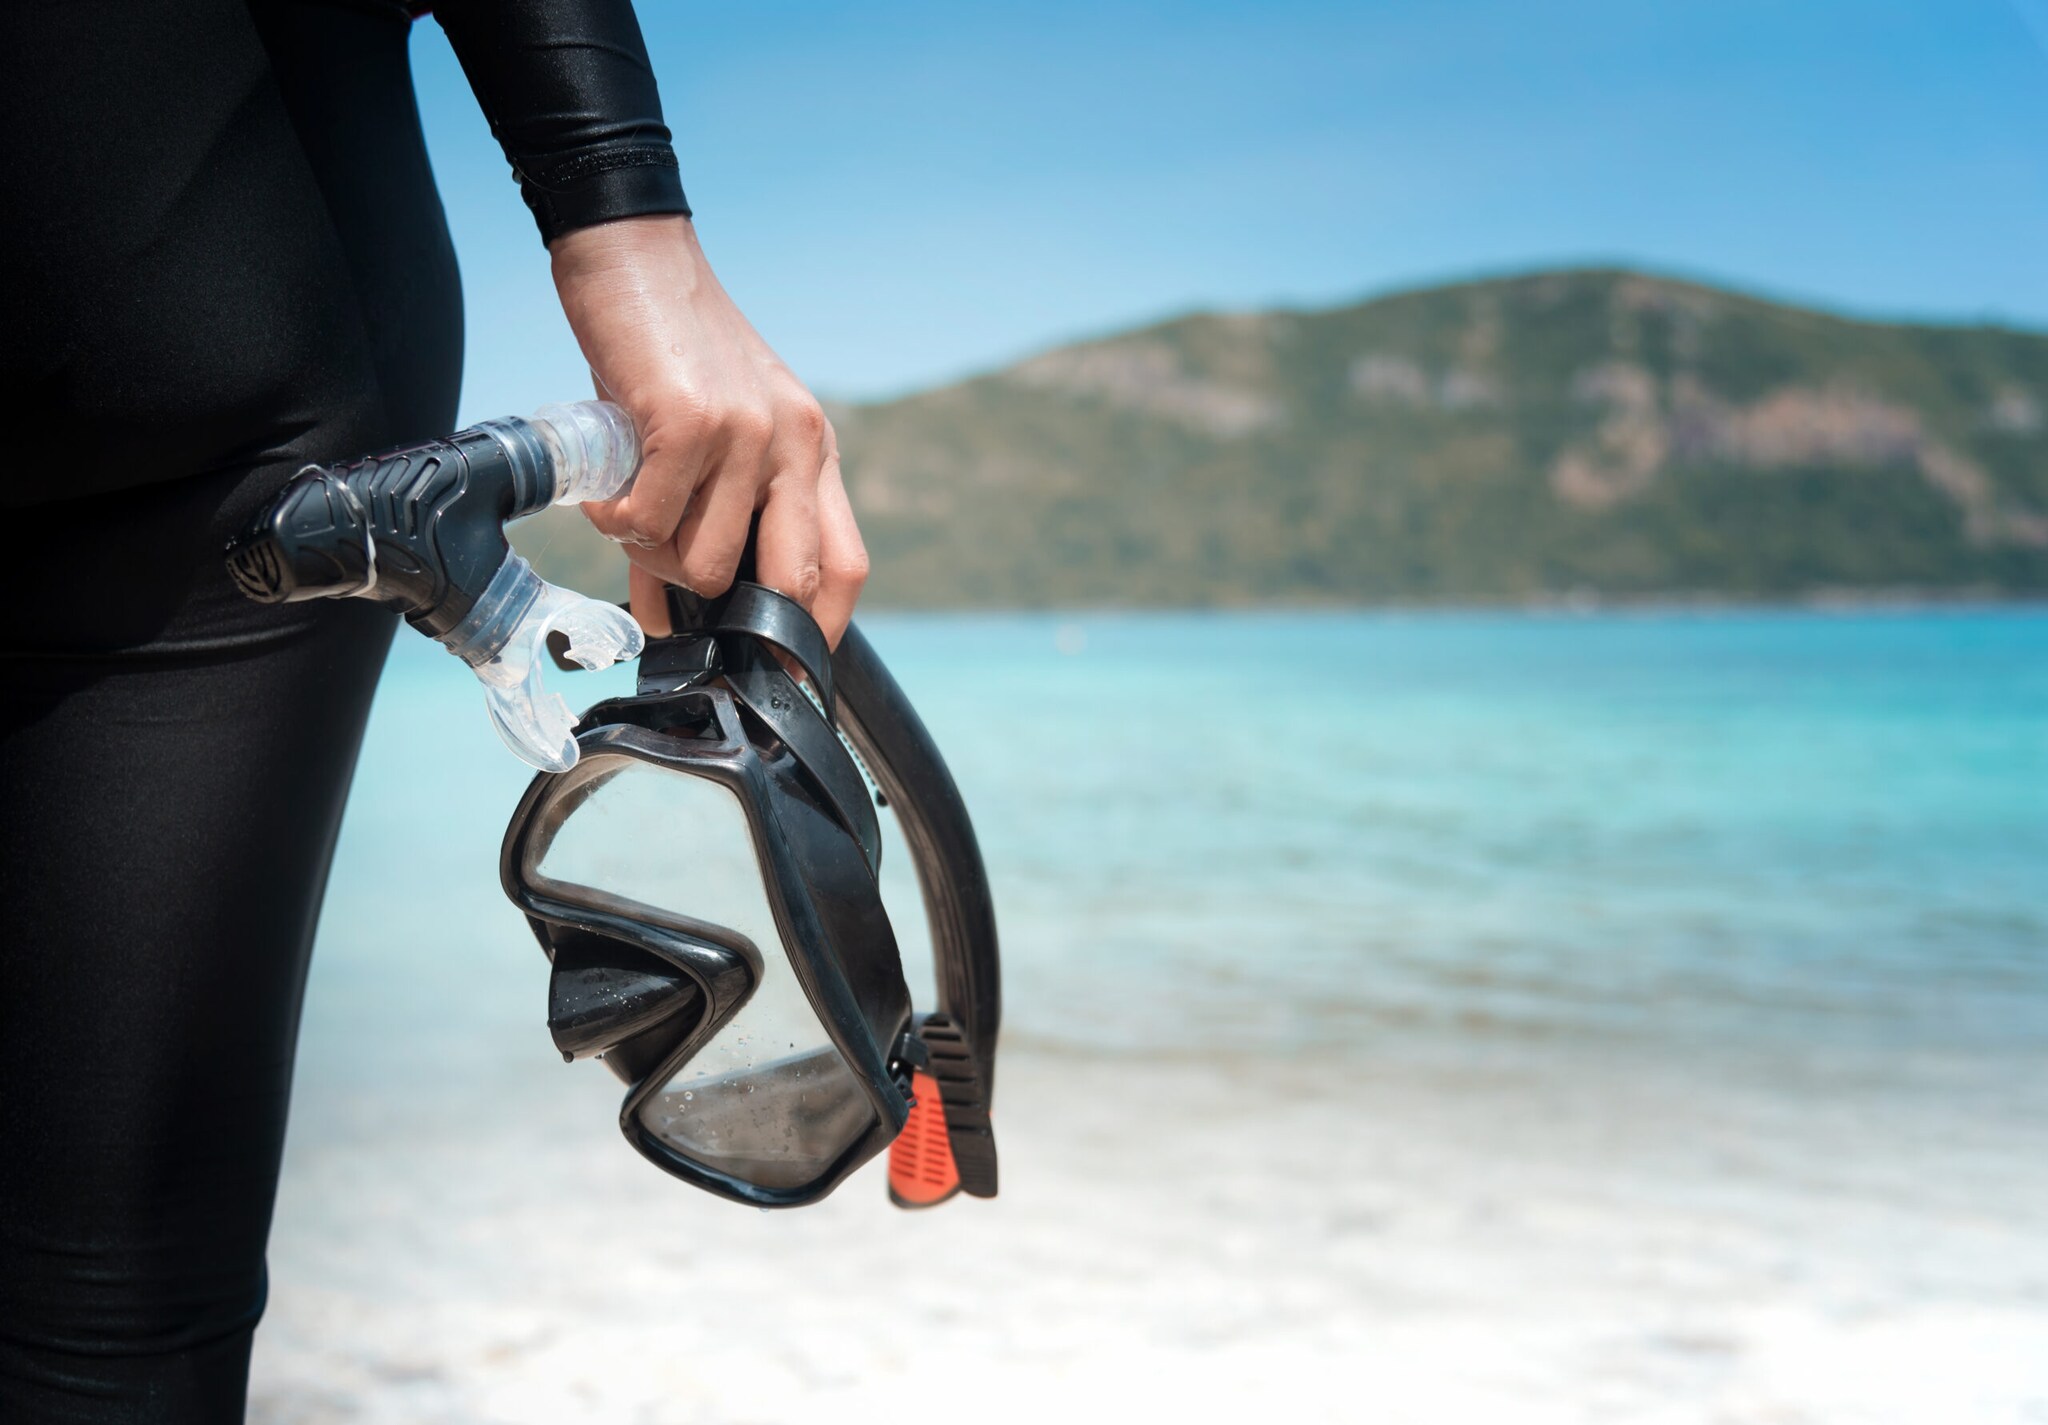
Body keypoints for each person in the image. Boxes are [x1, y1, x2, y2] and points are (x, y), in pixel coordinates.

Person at [0, 2, 864, 1419]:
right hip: (228, 294)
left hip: (225, 381)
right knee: (103, 1312)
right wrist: (624, 218)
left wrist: (627, 219)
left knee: (106, 1303)